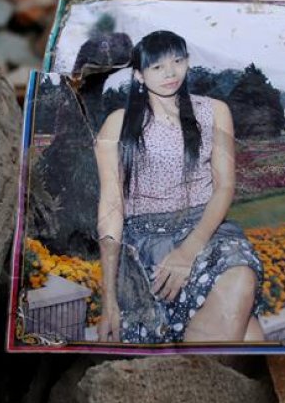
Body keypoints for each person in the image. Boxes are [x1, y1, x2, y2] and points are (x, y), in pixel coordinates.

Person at [94, 30, 266, 343]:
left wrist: (188, 252)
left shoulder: (213, 111)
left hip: (205, 230)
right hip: (145, 242)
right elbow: (110, 209)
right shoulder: (118, 124)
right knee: (250, 337)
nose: (170, 72)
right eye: (157, 67)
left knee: (240, 277)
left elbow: (225, 187)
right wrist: (109, 299)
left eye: (177, 61)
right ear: (139, 75)